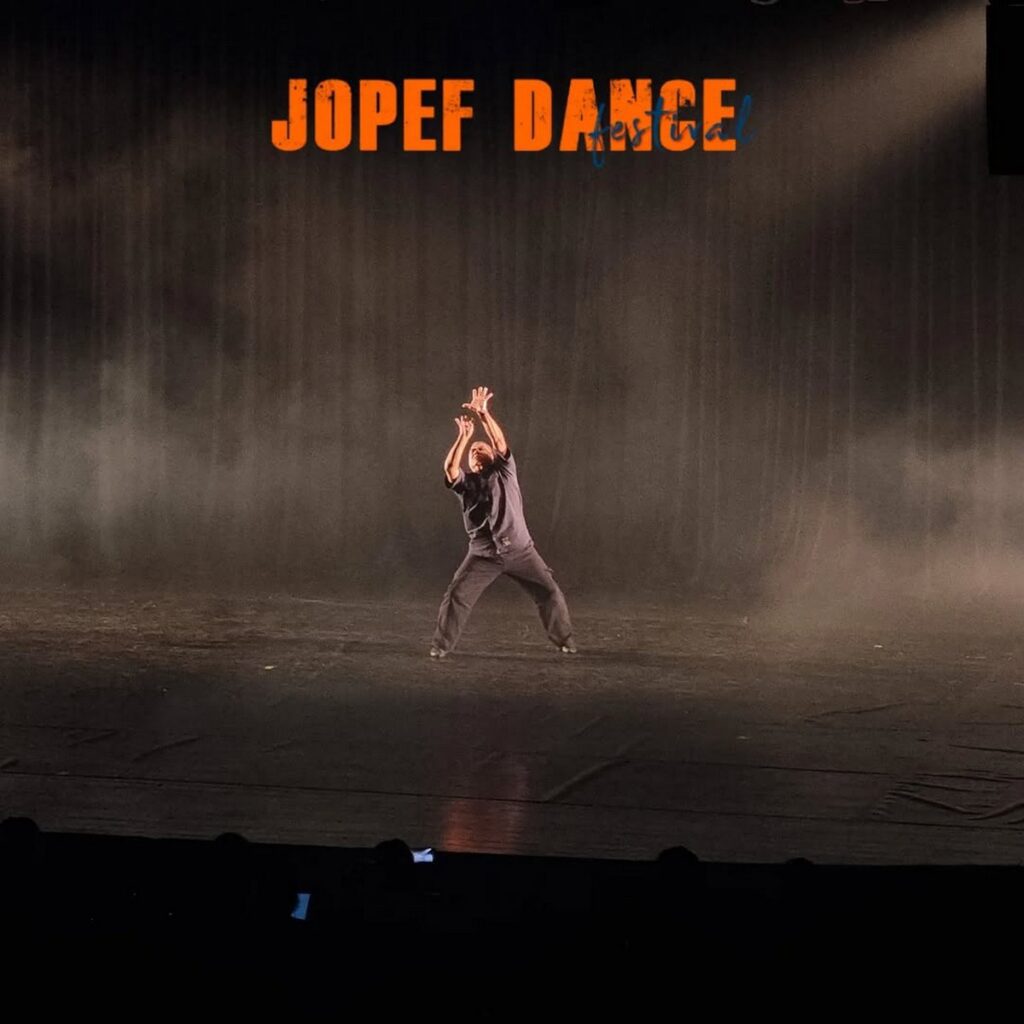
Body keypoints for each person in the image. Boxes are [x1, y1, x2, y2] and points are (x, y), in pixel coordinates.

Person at [430, 386, 576, 658]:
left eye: (481, 447)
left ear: (492, 456)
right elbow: (450, 468)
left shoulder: (505, 471)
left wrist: (483, 415)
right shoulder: (466, 484)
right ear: (470, 463)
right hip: (483, 555)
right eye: (473, 450)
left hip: (521, 551)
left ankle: (565, 640)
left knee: (549, 593)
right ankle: (441, 646)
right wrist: (463, 438)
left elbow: (499, 442)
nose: (476, 449)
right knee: (457, 595)